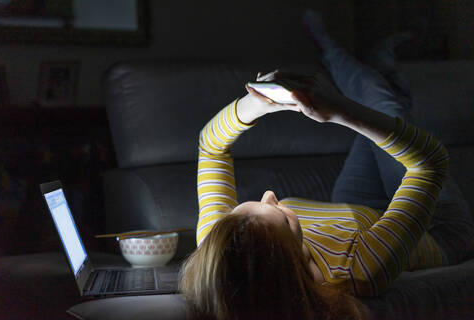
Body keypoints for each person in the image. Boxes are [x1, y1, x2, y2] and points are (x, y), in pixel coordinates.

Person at [179, 10, 474, 320]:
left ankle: (380, 66)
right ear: (294, 262)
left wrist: (256, 105)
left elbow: (210, 146)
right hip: (438, 229)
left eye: (246, 206)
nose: (268, 195)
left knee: (384, 115)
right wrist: (339, 110)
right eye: (281, 216)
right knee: (380, 106)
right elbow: (430, 164)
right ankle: (334, 53)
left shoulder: (221, 243)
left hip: (355, 206)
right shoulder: (360, 268)